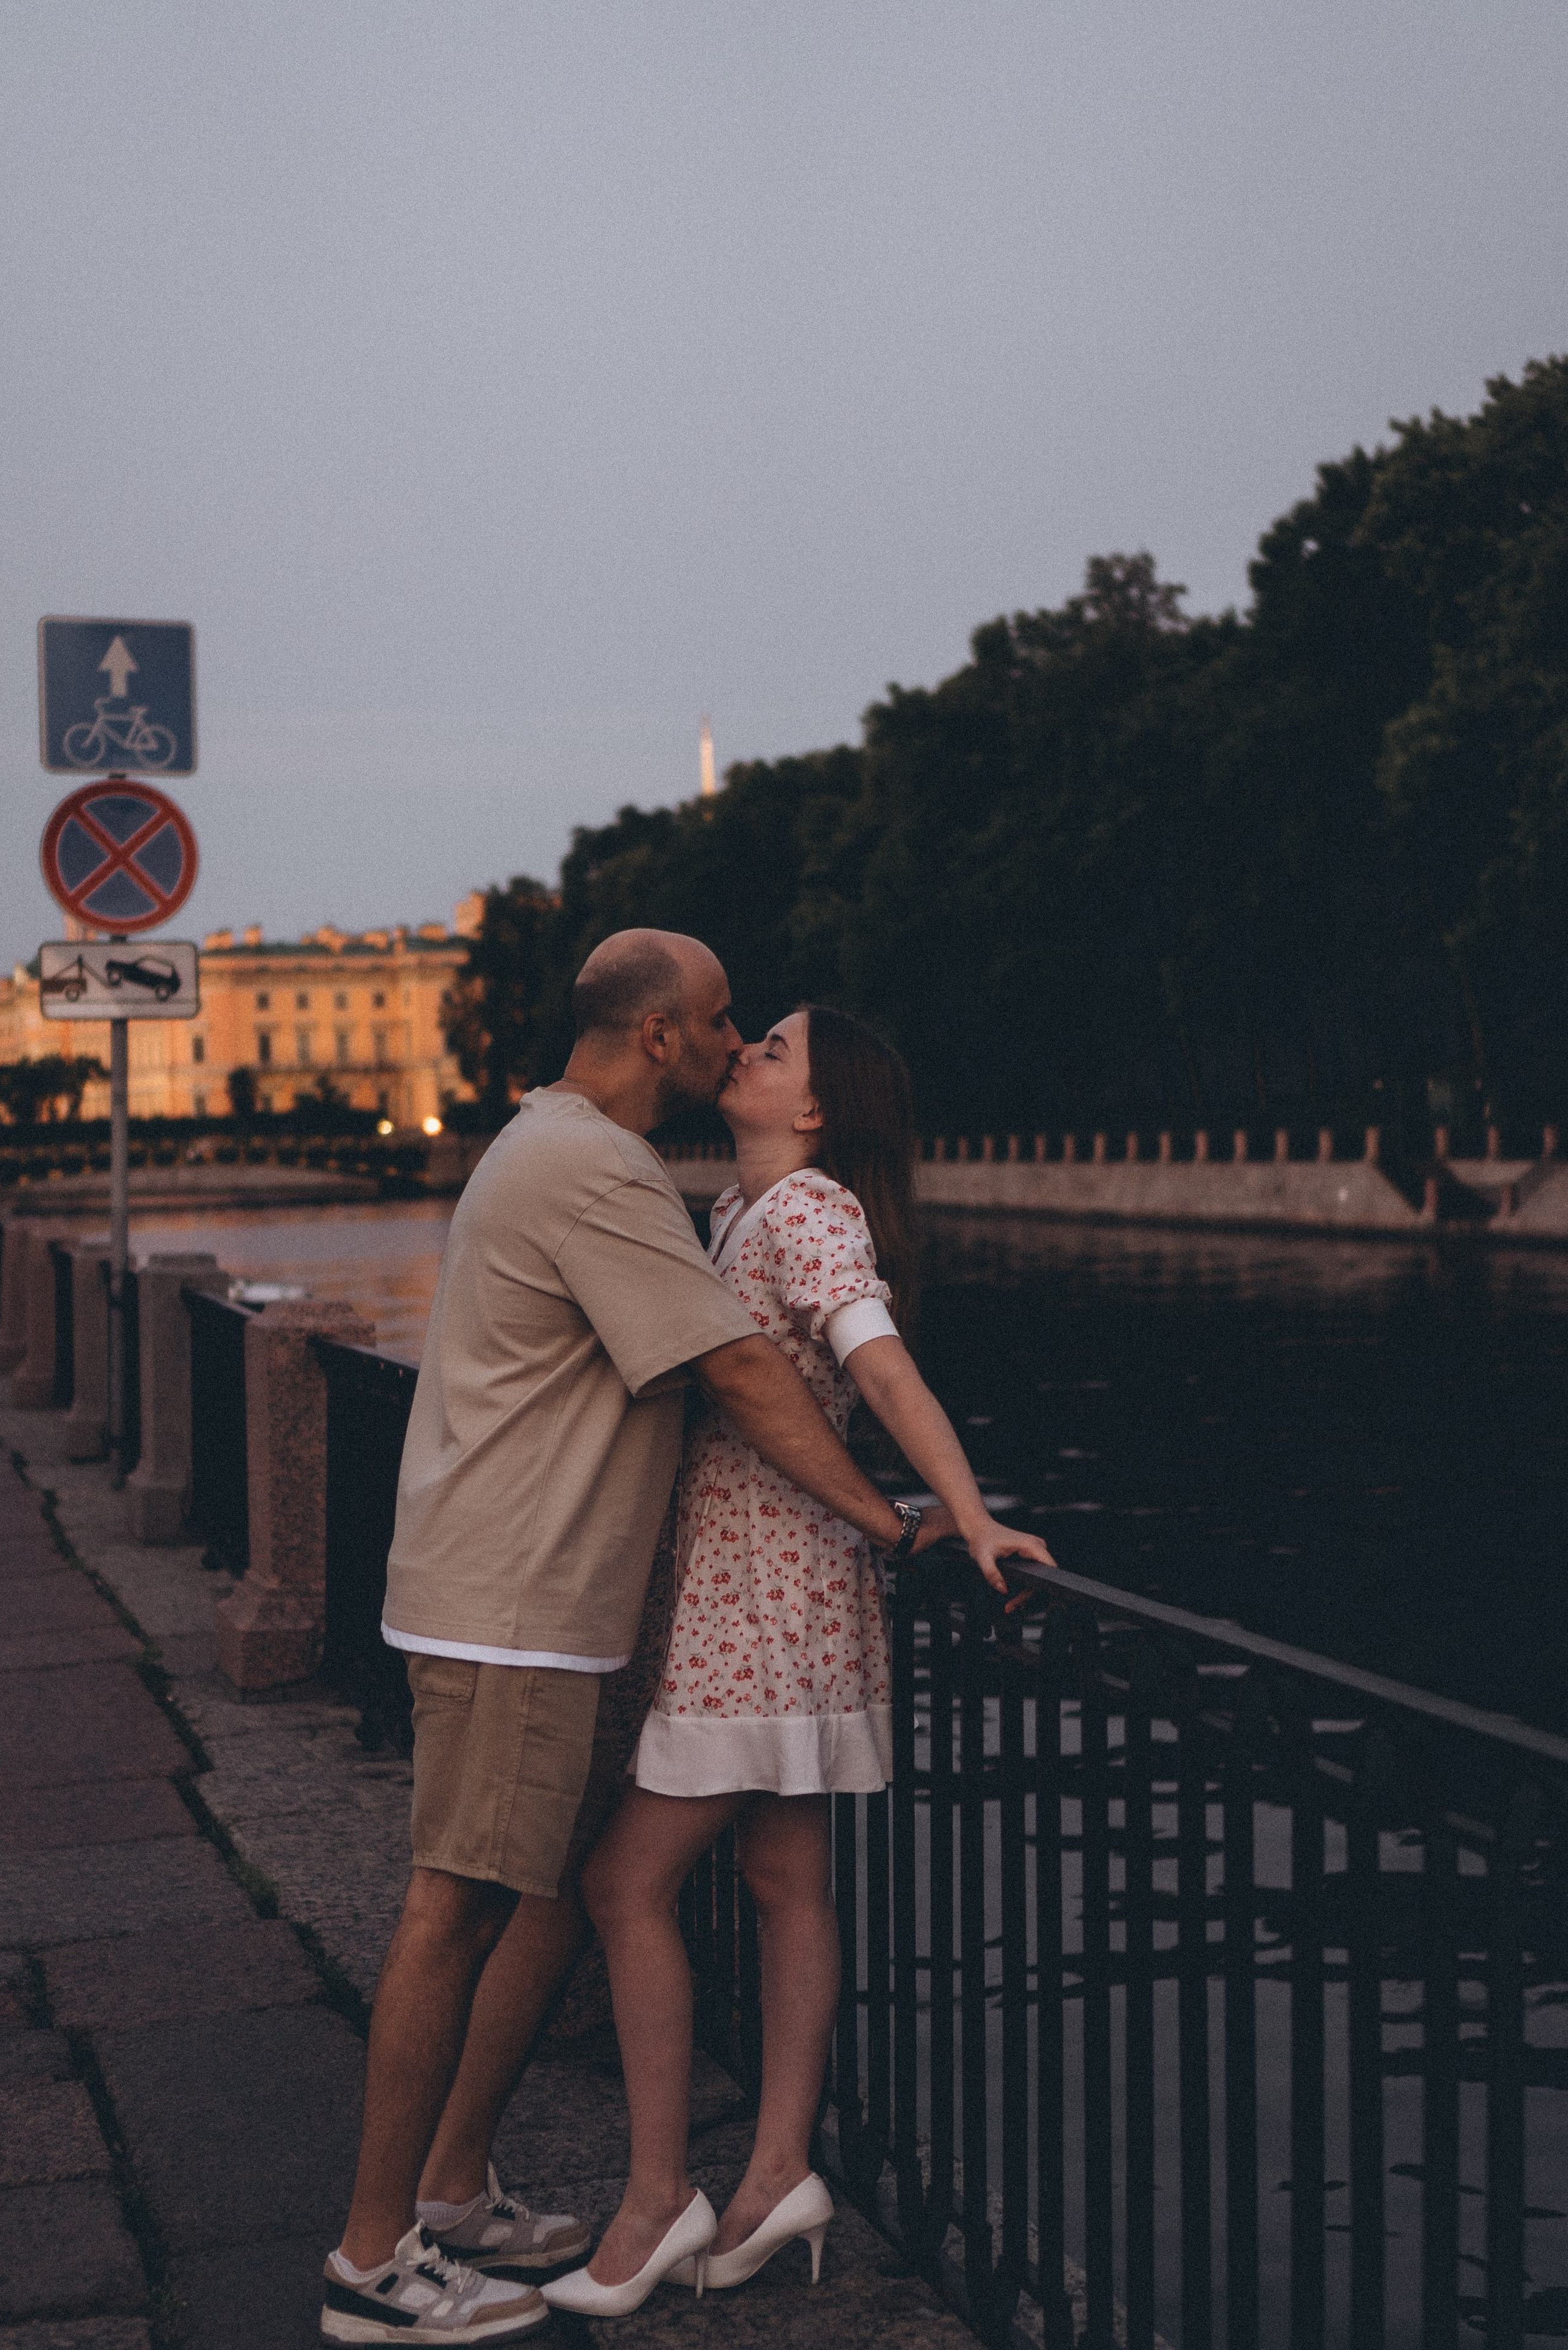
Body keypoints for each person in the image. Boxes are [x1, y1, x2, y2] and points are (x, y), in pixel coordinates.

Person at [323, 939, 938, 2346]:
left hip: (553, 1599)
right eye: (721, 1022)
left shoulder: (572, 1148)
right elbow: (738, 1369)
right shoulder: (598, 1170)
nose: (733, 1042)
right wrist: (892, 1522)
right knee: (455, 1908)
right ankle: (370, 2265)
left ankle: (455, 2188)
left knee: (548, 1895)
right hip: (516, 1605)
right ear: (661, 1035)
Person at [543, 1006, 1054, 2319]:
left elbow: (880, 1368)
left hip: (763, 1599)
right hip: (771, 1588)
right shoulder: (738, 1209)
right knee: (784, 1882)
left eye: (774, 1049)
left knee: (622, 1881)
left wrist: (970, 1512)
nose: (747, 1052)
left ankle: (658, 2198)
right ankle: (776, 2174)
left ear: (817, 1111)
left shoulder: (811, 1211)